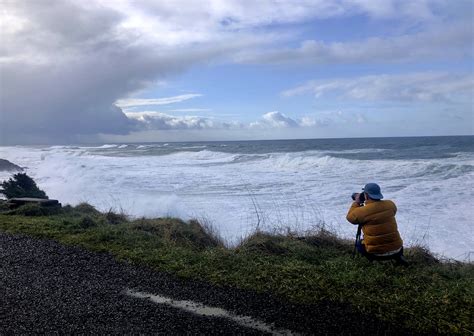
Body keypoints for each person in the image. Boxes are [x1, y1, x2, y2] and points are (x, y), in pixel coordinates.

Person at [346, 183, 408, 266]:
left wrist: (356, 202)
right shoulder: (390, 204)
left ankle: (373, 261)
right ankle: (398, 258)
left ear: (366, 196)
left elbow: (350, 218)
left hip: (376, 254)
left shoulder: (362, 212)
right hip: (398, 249)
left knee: (358, 243)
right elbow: (391, 212)